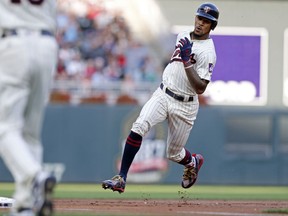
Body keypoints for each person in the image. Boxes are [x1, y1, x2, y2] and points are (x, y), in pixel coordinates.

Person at [102, 2, 219, 193]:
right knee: (139, 126)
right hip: (164, 93)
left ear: (212, 26)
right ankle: (121, 177)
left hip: (185, 104)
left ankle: (193, 161)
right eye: (199, 18)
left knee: (173, 153)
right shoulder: (183, 35)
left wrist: (188, 62)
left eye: (206, 21)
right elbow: (174, 63)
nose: (200, 23)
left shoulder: (208, 52)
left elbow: (200, 88)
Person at [0, 1, 58, 216]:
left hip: (13, 41)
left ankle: (34, 176)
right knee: (30, 134)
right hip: (46, 43)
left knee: (5, 127)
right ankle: (25, 205)